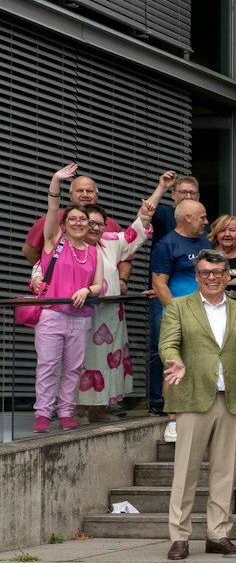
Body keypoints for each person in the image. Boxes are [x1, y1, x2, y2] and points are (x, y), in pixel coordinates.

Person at [156, 250, 236, 559]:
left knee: (225, 472)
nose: (212, 277)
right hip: (192, 396)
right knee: (185, 472)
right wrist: (174, 362)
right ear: (196, 277)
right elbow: (167, 343)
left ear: (228, 276)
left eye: (218, 272)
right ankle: (179, 537)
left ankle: (218, 534)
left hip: (231, 398)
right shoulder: (179, 308)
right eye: (205, 272)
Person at [80, 176, 171, 418]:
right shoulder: (66, 245)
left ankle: (97, 409)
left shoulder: (109, 242)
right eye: (90, 223)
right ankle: (75, 410)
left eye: (100, 224)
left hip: (109, 317)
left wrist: (159, 190)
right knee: (76, 360)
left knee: (103, 361)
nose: (96, 228)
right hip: (78, 314)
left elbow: (136, 231)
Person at [29, 166, 108, 431]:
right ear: (66, 222)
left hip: (81, 318)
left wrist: (87, 291)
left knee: (73, 369)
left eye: (83, 220)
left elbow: (98, 285)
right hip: (52, 315)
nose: (78, 223)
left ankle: (65, 412)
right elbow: (53, 209)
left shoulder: (94, 251)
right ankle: (42, 414)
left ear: (89, 224)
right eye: (73, 219)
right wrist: (55, 182)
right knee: (48, 366)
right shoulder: (54, 241)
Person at [147, 194, 208, 414]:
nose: (206, 221)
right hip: (178, 314)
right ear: (188, 218)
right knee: (175, 364)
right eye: (202, 217)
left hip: (205, 313)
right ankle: (172, 416)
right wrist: (177, 313)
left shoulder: (204, 241)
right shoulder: (167, 244)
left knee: (201, 363)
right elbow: (159, 283)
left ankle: (196, 410)